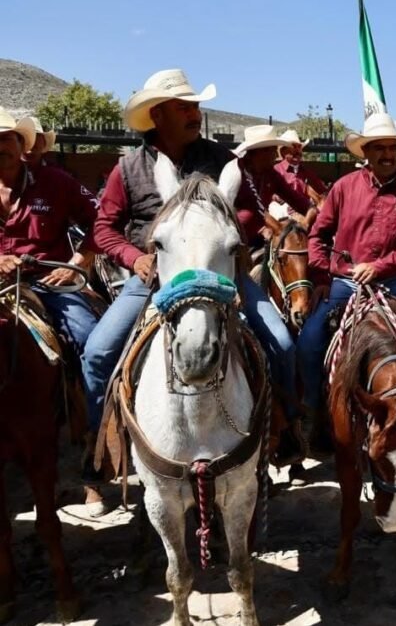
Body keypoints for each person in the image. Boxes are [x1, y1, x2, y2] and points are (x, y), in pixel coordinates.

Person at [84, 69, 300, 472]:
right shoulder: (129, 168)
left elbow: (251, 209)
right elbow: (103, 228)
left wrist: (218, 234)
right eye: (184, 107)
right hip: (153, 277)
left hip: (221, 275)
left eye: (195, 106)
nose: (194, 114)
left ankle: (281, 429)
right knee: (97, 353)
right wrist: (136, 258)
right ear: (158, 114)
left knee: (283, 345)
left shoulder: (223, 160)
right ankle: (106, 446)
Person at [300, 112, 396, 447]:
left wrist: (380, 267)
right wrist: (320, 275)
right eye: (379, 148)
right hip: (345, 279)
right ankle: (312, 413)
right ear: (366, 153)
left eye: (392, 147)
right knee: (310, 338)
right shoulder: (343, 188)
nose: (387, 154)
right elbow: (317, 236)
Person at [0, 107, 100, 424]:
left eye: (6, 139)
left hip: (48, 283)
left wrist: (75, 264)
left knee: (90, 338)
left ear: (20, 144)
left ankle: (98, 431)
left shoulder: (57, 182)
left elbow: (102, 223)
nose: (0, 147)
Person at [274, 128, 328, 211]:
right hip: (283, 214)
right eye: (293, 147)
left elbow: (323, 192)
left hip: (306, 212)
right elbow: (267, 194)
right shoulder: (275, 171)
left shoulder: (307, 172)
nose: (298, 151)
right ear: (283, 151)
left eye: (299, 147)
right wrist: (275, 197)